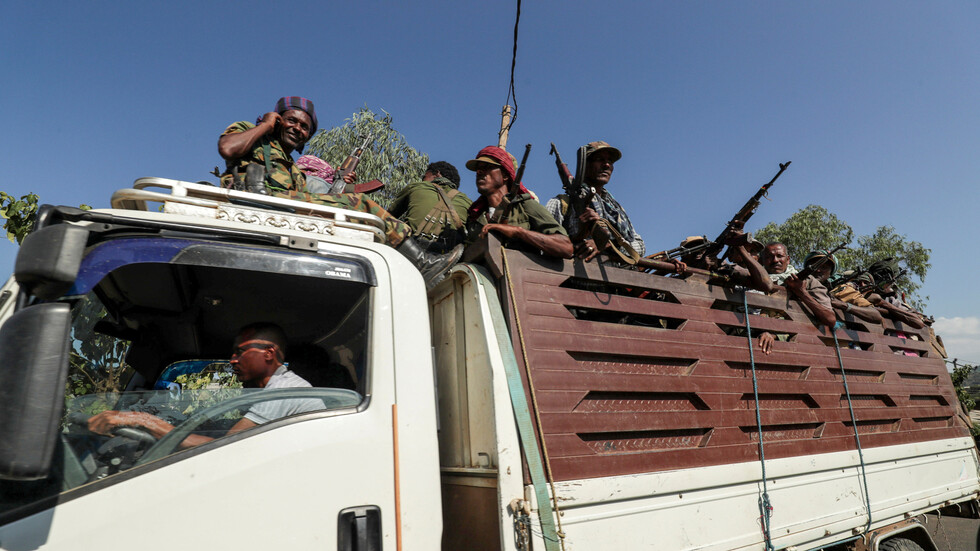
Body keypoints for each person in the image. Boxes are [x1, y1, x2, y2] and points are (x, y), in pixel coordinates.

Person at [217, 97, 461, 289]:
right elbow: (228, 149)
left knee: (354, 209)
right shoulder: (252, 133)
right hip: (254, 200)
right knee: (361, 204)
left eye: (304, 127)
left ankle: (413, 256)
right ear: (279, 120)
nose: (297, 128)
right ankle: (422, 262)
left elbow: (312, 205)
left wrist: (342, 188)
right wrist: (266, 125)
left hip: (279, 211)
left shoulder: (295, 171)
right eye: (291, 121)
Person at [87, 323, 322, 449]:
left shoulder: (282, 390)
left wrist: (142, 419)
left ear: (269, 353)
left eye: (240, 352)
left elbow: (223, 449)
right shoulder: (274, 388)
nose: (232, 360)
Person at [463, 146, 573, 259]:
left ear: (505, 175)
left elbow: (565, 247)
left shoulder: (525, 206)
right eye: (479, 169)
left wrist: (518, 232)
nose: (480, 172)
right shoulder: (474, 218)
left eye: (488, 167)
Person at [545, 141, 644, 262]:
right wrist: (578, 239)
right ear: (584, 165)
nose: (606, 165)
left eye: (610, 161)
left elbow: (640, 246)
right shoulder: (561, 203)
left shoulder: (616, 209)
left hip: (618, 273)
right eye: (599, 159)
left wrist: (608, 245)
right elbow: (545, 243)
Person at [388, 161, 472, 253]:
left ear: (437, 174)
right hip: (449, 256)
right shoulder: (468, 202)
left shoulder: (416, 187)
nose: (423, 180)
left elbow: (388, 216)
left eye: (424, 176)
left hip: (410, 249)